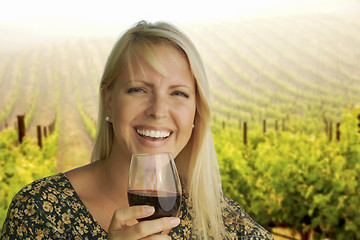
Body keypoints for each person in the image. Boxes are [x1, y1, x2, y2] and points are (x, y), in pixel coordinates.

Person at [1, 21, 274, 240]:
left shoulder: (220, 219)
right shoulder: (38, 212)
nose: (158, 110)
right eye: (139, 90)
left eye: (178, 93)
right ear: (108, 100)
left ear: (196, 113)